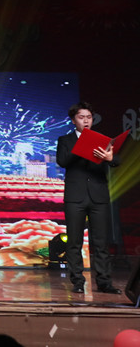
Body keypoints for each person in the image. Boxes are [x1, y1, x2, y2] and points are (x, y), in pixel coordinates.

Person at [56, 101, 121, 294]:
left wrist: (110, 159)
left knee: (101, 242)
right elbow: (62, 161)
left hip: (98, 196)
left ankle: (104, 282)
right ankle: (77, 281)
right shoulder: (65, 140)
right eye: (81, 117)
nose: (86, 121)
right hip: (75, 196)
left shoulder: (102, 140)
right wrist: (82, 146)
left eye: (89, 117)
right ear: (73, 120)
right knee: (74, 242)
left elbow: (116, 160)